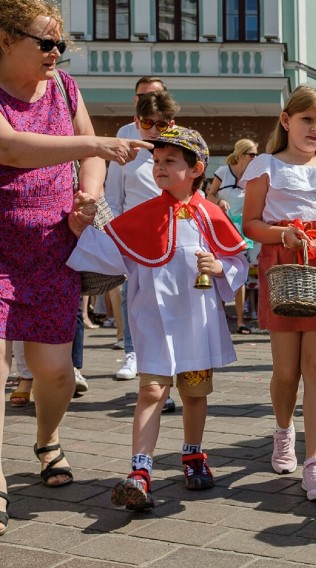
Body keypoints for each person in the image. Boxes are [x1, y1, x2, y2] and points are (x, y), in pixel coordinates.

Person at [0, 0, 151, 534]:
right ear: (5, 39)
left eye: (61, 44)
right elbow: (11, 147)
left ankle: (47, 440)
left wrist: (88, 193)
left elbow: (87, 160)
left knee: (56, 372)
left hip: (52, 244)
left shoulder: (64, 87)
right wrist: (96, 144)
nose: (56, 53)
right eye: (46, 43)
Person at [67, 126, 248, 510]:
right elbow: (108, 250)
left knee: (195, 393)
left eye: (170, 162)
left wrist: (219, 266)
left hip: (197, 323)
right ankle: (140, 470)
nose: (160, 168)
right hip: (152, 319)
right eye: (156, 162)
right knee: (151, 390)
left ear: (197, 168)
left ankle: (193, 454)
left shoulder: (211, 214)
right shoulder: (143, 216)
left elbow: (236, 260)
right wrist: (81, 228)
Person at [242, 85, 316, 501]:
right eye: (307, 119)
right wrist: (282, 234)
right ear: (286, 120)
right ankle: (282, 429)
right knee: (286, 371)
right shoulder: (265, 165)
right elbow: (251, 224)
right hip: (284, 264)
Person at [105, 91, 179, 389]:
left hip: (170, 234)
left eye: (161, 124)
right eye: (147, 122)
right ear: (136, 122)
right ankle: (133, 353)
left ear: (170, 123)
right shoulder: (126, 155)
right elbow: (112, 196)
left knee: (166, 301)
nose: (153, 129)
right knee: (132, 298)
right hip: (134, 235)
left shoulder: (178, 152)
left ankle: (165, 369)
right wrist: (114, 235)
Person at [206, 138, 259, 334]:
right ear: (241, 155)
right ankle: (218, 319)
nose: (255, 158)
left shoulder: (254, 176)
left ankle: (240, 321)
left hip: (243, 231)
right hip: (223, 228)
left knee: (240, 273)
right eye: (252, 154)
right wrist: (219, 202)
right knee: (220, 272)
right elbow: (209, 196)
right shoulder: (223, 172)